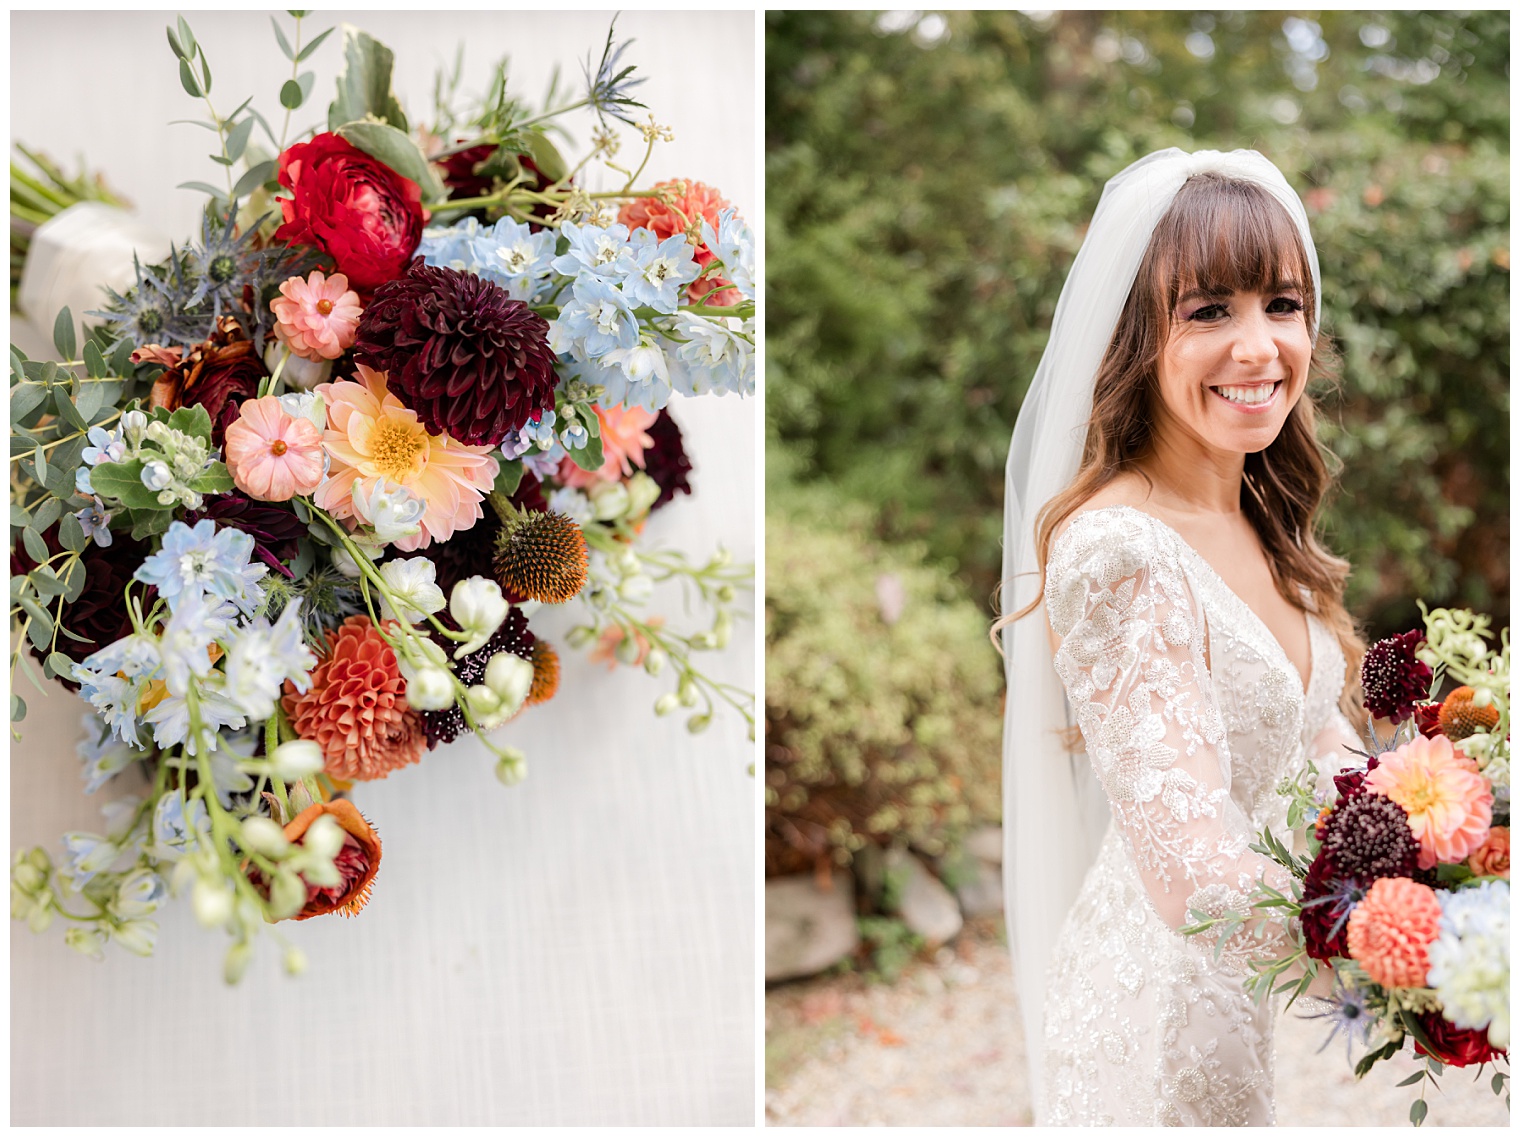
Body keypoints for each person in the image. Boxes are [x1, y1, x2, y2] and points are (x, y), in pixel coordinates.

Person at [995, 149, 1366, 1126]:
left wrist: (1437, 848)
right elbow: (1191, 875)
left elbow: (1322, 753)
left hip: (1232, 1011)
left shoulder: (1260, 524)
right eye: (1208, 311)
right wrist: (1404, 945)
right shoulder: (1119, 550)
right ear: (1135, 340)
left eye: (1279, 305)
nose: (1258, 347)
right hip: (1152, 1035)